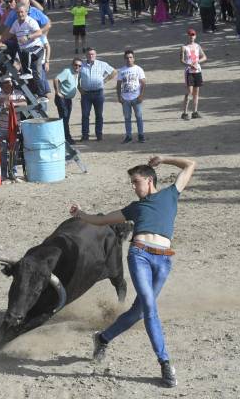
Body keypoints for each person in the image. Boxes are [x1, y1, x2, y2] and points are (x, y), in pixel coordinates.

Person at [69, 154, 196, 389]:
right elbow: (103, 220)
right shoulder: (135, 208)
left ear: (149, 180)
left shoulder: (170, 194)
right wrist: (80, 214)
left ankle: (103, 338)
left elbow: (191, 165)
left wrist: (165, 159)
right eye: (132, 183)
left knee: (139, 311)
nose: (133, 187)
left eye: (136, 182)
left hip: (164, 261)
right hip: (140, 255)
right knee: (149, 305)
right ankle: (165, 362)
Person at [78, 48, 117, 141]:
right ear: (86, 55)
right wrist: (79, 89)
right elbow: (76, 78)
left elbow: (114, 71)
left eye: (92, 54)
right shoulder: (81, 65)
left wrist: (105, 80)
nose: (91, 56)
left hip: (98, 93)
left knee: (99, 114)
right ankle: (85, 135)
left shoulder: (102, 64)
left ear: (95, 55)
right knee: (85, 115)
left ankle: (99, 135)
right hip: (86, 94)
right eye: (89, 54)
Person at [116, 50, 146, 143]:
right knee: (127, 118)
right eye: (127, 57)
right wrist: (119, 96)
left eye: (131, 57)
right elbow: (118, 84)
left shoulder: (138, 69)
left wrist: (141, 95)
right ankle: (128, 136)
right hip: (125, 98)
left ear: (134, 58)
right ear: (125, 59)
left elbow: (143, 83)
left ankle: (141, 135)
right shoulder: (121, 70)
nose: (129, 59)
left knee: (139, 117)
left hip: (136, 97)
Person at [53, 57, 82, 144]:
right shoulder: (67, 71)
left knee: (66, 119)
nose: (77, 67)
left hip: (68, 99)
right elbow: (56, 79)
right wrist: (57, 92)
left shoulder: (78, 73)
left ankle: (63, 137)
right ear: (72, 65)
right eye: (76, 65)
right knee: (64, 118)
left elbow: (77, 85)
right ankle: (67, 138)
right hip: (62, 98)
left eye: (80, 66)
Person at [180, 29, 206, 120]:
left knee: (196, 92)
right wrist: (189, 64)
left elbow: (204, 57)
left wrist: (197, 62)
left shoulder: (198, 46)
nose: (191, 36)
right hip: (189, 72)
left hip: (197, 71)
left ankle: (195, 112)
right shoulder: (184, 47)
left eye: (193, 35)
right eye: (190, 35)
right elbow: (181, 60)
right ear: (188, 36)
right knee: (189, 92)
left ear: (195, 36)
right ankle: (185, 113)